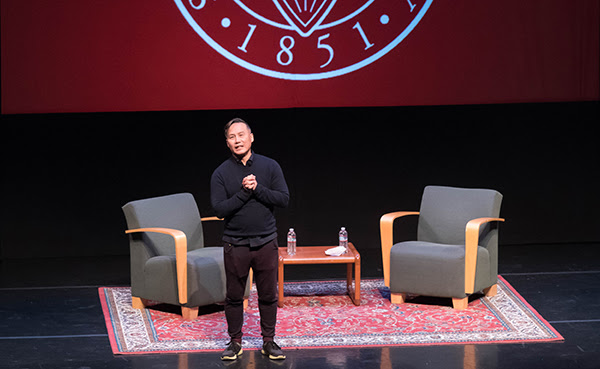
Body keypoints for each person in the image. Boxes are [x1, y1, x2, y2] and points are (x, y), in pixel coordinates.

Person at [210, 118, 289, 361]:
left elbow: (283, 199)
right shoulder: (221, 173)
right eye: (232, 137)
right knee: (234, 296)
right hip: (235, 243)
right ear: (227, 143)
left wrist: (258, 189)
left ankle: (269, 341)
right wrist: (245, 192)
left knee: (268, 295)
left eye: (241, 135)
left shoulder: (270, 166)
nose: (238, 140)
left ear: (251, 137)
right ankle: (235, 342)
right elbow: (219, 210)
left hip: (266, 240)